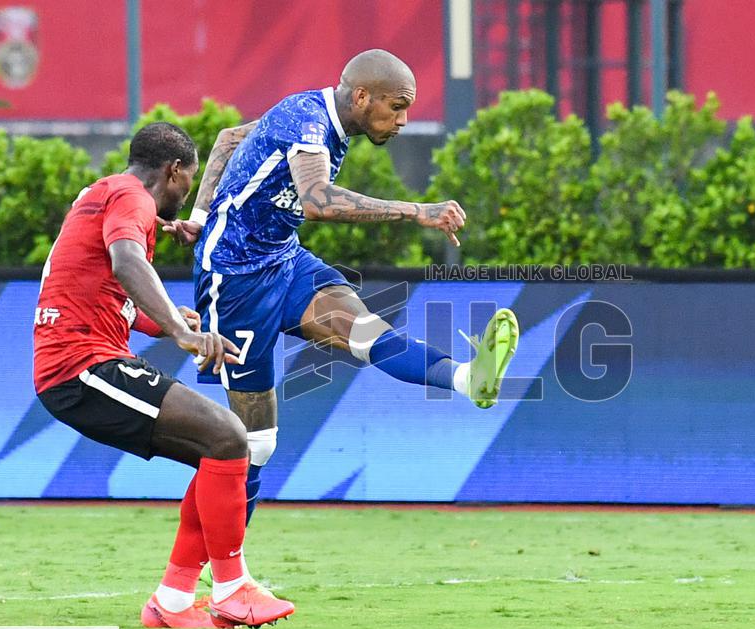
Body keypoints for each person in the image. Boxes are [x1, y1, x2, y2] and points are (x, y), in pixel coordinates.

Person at [161, 49, 519, 524]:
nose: (404, 120)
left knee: (369, 336)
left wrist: (201, 217)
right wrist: (419, 211)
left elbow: (229, 139)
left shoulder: (324, 122)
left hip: (285, 262)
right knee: (254, 445)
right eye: (397, 107)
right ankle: (213, 574)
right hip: (235, 278)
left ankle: (468, 379)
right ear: (363, 96)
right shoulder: (308, 120)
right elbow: (317, 201)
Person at [33, 122, 294, 629]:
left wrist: (167, 318)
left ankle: (172, 601)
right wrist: (181, 332)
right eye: (189, 181)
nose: (188, 193)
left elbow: (111, 290)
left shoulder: (106, 193)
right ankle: (233, 588)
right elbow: (126, 260)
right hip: (80, 367)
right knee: (226, 435)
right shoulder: (131, 199)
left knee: (218, 449)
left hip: (80, 362)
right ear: (173, 171)